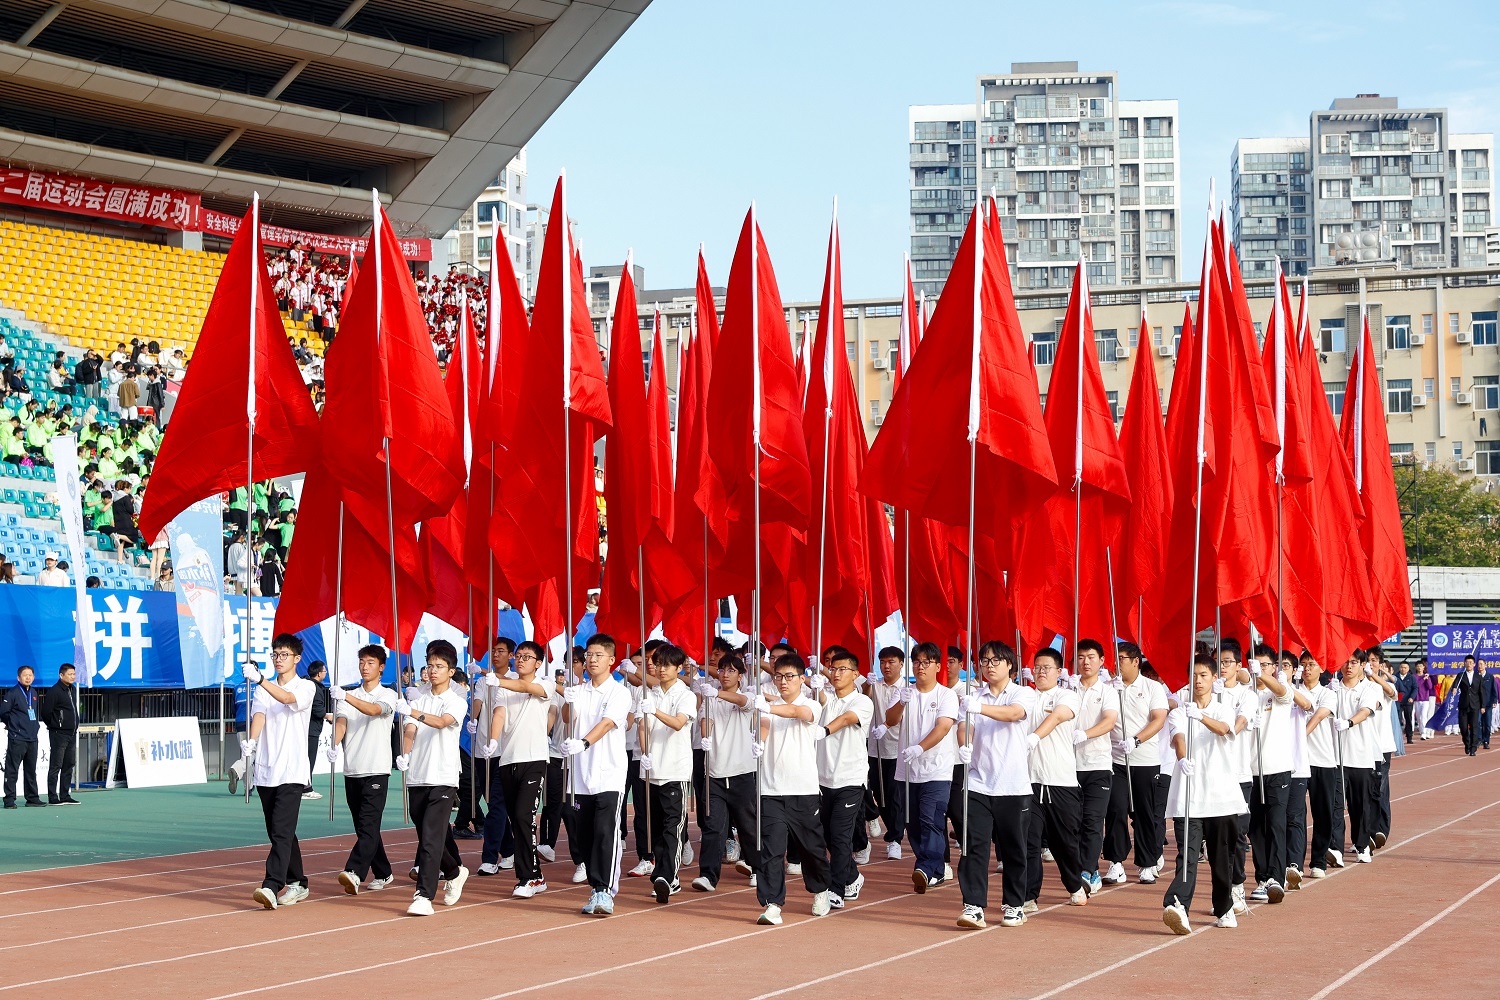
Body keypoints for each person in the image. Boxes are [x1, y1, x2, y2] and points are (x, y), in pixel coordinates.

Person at [1162, 653, 1247, 934]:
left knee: (1222, 858)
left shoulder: (1222, 709)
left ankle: (1224, 908)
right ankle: (1177, 906)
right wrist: (1183, 757)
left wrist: (1201, 716)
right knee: (1186, 855)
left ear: (1214, 679)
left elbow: (1225, 729)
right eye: (1194, 676)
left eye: (1203, 675)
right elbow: (1178, 737)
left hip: (1220, 796)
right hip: (1189, 795)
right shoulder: (1178, 711)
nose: (1198, 681)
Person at [955, 641, 1036, 930]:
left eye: (995, 661)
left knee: (1014, 848)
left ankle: (1014, 905)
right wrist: (964, 743)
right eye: (985, 661)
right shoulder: (972, 696)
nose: (989, 666)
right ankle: (973, 905)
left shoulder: (1023, 693)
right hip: (978, 783)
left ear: (1010, 665)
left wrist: (980, 707)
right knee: (973, 846)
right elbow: (966, 726)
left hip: (1013, 786)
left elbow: (1013, 714)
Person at [751, 652, 836, 924]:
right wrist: (760, 741)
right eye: (778, 676)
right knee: (771, 850)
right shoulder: (769, 706)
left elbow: (796, 713)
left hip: (803, 790)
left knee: (811, 848)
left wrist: (766, 706)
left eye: (789, 677)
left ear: (802, 679)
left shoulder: (811, 705)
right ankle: (773, 903)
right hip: (770, 789)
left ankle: (821, 889)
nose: (783, 682)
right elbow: (765, 723)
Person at [559, 633, 632, 917]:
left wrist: (583, 743)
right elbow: (567, 719)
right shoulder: (580, 690)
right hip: (579, 777)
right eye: (588, 655)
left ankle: (605, 890)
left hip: (609, 775)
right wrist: (569, 700)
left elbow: (606, 724)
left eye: (598, 655)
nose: (591, 659)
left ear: (611, 660)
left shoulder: (619, 692)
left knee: (605, 832)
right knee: (583, 835)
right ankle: (595, 886)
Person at [242, 634, 315, 908]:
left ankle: (272, 885)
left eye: (284, 654)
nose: (278, 659)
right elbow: (259, 714)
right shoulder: (263, 689)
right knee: (279, 831)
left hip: (292, 771)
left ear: (296, 658)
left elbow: (286, 699)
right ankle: (298, 882)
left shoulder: (306, 687)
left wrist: (260, 679)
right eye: (275, 654)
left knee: (282, 832)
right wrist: (251, 739)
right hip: (266, 770)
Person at [400, 639, 470, 916]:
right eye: (430, 666)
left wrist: (412, 711)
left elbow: (441, 723)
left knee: (430, 838)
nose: (433, 671)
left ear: (451, 671)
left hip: (443, 775)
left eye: (439, 666)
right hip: (417, 775)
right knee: (427, 835)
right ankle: (454, 871)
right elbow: (410, 730)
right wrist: (404, 753)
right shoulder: (418, 698)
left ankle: (423, 895)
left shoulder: (456, 700)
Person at [482, 638, 554, 899]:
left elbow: (526, 686)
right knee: (516, 821)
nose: (521, 660)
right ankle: (532, 876)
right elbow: (499, 714)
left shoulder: (546, 683)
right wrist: (492, 739)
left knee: (524, 816)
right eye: (519, 656)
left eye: (527, 656)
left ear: (538, 662)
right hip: (507, 760)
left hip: (534, 760)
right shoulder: (504, 688)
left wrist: (498, 680)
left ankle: (531, 876)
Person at [887, 641, 959, 893]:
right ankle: (935, 870)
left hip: (936, 770)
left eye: (926, 662)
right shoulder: (903, 692)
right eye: (916, 662)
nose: (920, 667)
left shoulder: (946, 695)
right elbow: (891, 720)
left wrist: (920, 747)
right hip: (906, 771)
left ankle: (926, 867)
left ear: (938, 666)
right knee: (912, 824)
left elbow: (942, 727)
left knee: (931, 820)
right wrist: (901, 703)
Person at [1025, 647, 1090, 908]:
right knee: (1028, 842)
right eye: (1037, 667)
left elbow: (1058, 716)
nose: (1041, 672)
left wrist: (1034, 737)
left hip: (1060, 782)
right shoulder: (1025, 697)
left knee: (1064, 844)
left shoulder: (1068, 696)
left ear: (1060, 672)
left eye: (1046, 668)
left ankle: (1074, 883)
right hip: (1028, 782)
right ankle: (1028, 896)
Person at [331, 645, 398, 895]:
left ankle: (354, 871)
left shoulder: (388, 695)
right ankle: (383, 872)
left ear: (381, 667)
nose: (365, 666)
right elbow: (341, 722)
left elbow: (373, 710)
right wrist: (334, 744)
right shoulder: (348, 696)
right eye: (362, 661)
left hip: (377, 769)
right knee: (364, 827)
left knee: (369, 824)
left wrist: (345, 697)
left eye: (370, 662)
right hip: (353, 769)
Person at [1103, 641, 1168, 885]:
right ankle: (1116, 862)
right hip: (1115, 760)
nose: (1117, 664)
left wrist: (1136, 740)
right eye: (1115, 659)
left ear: (1135, 661)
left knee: (1144, 813)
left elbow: (1158, 719)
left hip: (1144, 760)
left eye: (1121, 658)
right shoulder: (1110, 687)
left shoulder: (1152, 688)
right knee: (1116, 809)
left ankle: (1148, 863)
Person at [813, 647, 874, 906]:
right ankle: (851, 876)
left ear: (855, 674)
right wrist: (812, 685)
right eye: (833, 668)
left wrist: (824, 731)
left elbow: (848, 719)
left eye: (842, 669)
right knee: (827, 837)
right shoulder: (825, 700)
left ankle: (835, 890)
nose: (836, 673)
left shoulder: (862, 702)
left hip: (850, 779)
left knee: (840, 836)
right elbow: (821, 704)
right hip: (823, 779)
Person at [694, 654, 757, 892]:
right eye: (721, 670)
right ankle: (708, 876)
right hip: (714, 771)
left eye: (731, 670)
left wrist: (716, 693)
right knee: (713, 825)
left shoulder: (748, 694)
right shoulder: (709, 699)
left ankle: (756, 867)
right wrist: (706, 737)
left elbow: (743, 702)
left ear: (740, 675)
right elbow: (705, 720)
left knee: (747, 824)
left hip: (741, 771)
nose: (725, 674)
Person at [1071, 639, 1120, 894]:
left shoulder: (1108, 691)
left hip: (1097, 765)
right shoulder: (1067, 689)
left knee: (1092, 820)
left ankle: (1088, 871)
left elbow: (1109, 722)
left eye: (1091, 656)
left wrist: (1085, 734)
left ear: (1101, 661)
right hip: (1068, 766)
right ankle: (1083, 868)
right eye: (1080, 657)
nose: (1086, 661)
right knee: (1073, 823)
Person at [1245, 645, 1292, 904]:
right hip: (1250, 770)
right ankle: (1262, 877)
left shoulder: (1281, 693)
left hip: (1277, 769)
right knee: (1255, 828)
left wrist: (1262, 676)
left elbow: (1283, 692)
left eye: (1265, 665)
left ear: (1274, 667)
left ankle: (1276, 876)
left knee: (1275, 824)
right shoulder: (1245, 694)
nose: (1260, 669)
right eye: (1257, 665)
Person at [1334, 651, 1381, 864]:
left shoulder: (1368, 689)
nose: (1349, 666)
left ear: (1362, 665)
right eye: (1345, 662)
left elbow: (1365, 711)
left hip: (1360, 757)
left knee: (1359, 806)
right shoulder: (1332, 689)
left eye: (1354, 662)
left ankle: (1362, 845)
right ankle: (1335, 848)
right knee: (1335, 806)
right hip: (1335, 757)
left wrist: (1349, 722)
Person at [866, 646, 907, 859]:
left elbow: (897, 715)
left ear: (901, 663)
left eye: (891, 662)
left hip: (897, 749)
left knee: (893, 796)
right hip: (875, 748)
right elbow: (864, 700)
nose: (886, 666)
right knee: (878, 793)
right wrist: (867, 684)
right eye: (883, 662)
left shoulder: (906, 689)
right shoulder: (875, 685)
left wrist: (885, 725)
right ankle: (894, 829)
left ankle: (895, 838)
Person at [2, 666, 44, 808]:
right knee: (12, 769)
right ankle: (9, 800)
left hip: (32, 737)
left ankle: (32, 798)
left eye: (30, 675)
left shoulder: (33, 693)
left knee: (31, 769)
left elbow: (33, 713)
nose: (28, 677)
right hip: (17, 737)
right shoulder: (12, 693)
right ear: (18, 678)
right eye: (25, 675)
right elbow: (3, 713)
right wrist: (14, 726)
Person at [41, 663, 80, 805]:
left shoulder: (73, 689)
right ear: (61, 675)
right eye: (70, 674)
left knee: (69, 764)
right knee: (56, 765)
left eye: (74, 674)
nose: (72, 677)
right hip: (59, 734)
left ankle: (65, 795)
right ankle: (53, 797)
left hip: (72, 733)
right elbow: (45, 713)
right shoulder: (54, 691)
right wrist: (55, 725)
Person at [303, 661, 331, 800]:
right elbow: (317, 709)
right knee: (309, 759)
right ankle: (306, 788)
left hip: (307, 728)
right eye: (324, 671)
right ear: (319, 673)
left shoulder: (306, 685)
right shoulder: (315, 688)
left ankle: (305, 787)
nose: (325, 673)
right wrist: (328, 715)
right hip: (310, 729)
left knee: (306, 759)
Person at [1456, 655, 1487, 756]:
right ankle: (1467, 743)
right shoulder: (1460, 675)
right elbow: (1455, 685)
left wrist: (1483, 706)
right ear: (1464, 663)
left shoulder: (1478, 677)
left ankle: (1473, 748)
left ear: (1474, 664)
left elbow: (1482, 692)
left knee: (1474, 727)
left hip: (1475, 705)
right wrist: (1454, 688)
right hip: (1463, 705)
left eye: (1471, 662)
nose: (1469, 664)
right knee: (1463, 727)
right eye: (1467, 662)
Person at [1394, 662, 1417, 744]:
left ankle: (1409, 736)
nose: (1403, 669)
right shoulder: (1395, 677)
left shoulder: (1411, 677)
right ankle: (1397, 737)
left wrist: (1412, 697)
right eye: (1401, 667)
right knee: (1398, 719)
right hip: (1398, 702)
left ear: (1408, 669)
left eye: (1405, 667)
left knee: (1408, 719)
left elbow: (1415, 688)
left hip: (1408, 702)